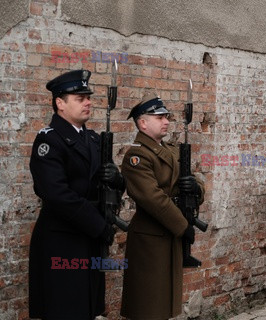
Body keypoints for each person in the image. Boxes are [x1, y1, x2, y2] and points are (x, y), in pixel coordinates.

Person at [29, 69, 124, 319]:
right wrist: (98, 225)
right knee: (65, 309)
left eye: (88, 97)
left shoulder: (93, 140)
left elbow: (111, 187)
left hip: (89, 240)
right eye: (80, 98)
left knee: (87, 309)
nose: (88, 102)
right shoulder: (49, 141)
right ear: (60, 103)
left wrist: (117, 178)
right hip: (63, 241)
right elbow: (57, 194)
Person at [120, 95, 204, 319]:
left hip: (170, 234)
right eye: (159, 117)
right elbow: (152, 198)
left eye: (166, 116)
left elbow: (195, 178)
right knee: (148, 305)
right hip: (151, 237)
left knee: (165, 305)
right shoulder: (137, 156)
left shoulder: (173, 150)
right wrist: (182, 225)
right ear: (142, 122)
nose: (166, 121)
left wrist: (195, 189)